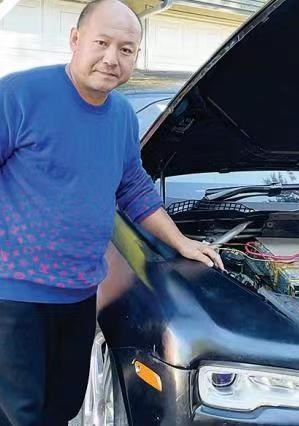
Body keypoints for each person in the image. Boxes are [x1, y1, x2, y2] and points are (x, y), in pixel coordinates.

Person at [0, 0, 223, 423]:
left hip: (80, 293)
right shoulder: (19, 95)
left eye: (126, 49)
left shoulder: (121, 115)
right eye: (102, 42)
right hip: (14, 295)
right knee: (19, 414)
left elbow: (133, 188)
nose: (111, 58)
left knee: (62, 408)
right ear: (75, 39)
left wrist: (181, 242)